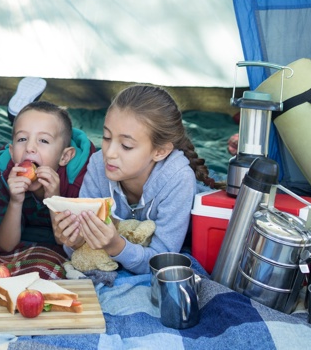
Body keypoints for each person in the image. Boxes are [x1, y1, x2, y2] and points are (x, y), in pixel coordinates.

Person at [51, 84, 217, 273]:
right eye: (106, 137)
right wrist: (73, 240)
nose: (109, 153)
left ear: (160, 151)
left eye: (126, 146)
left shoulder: (178, 181)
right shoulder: (98, 164)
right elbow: (80, 248)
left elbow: (161, 260)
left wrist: (116, 247)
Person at [0, 100, 94, 252]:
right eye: (22, 139)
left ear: (64, 157)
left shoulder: (81, 182)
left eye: (43, 140)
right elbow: (5, 246)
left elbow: (67, 242)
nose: (30, 148)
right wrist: (15, 201)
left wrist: (55, 199)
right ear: (12, 153)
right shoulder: (7, 177)